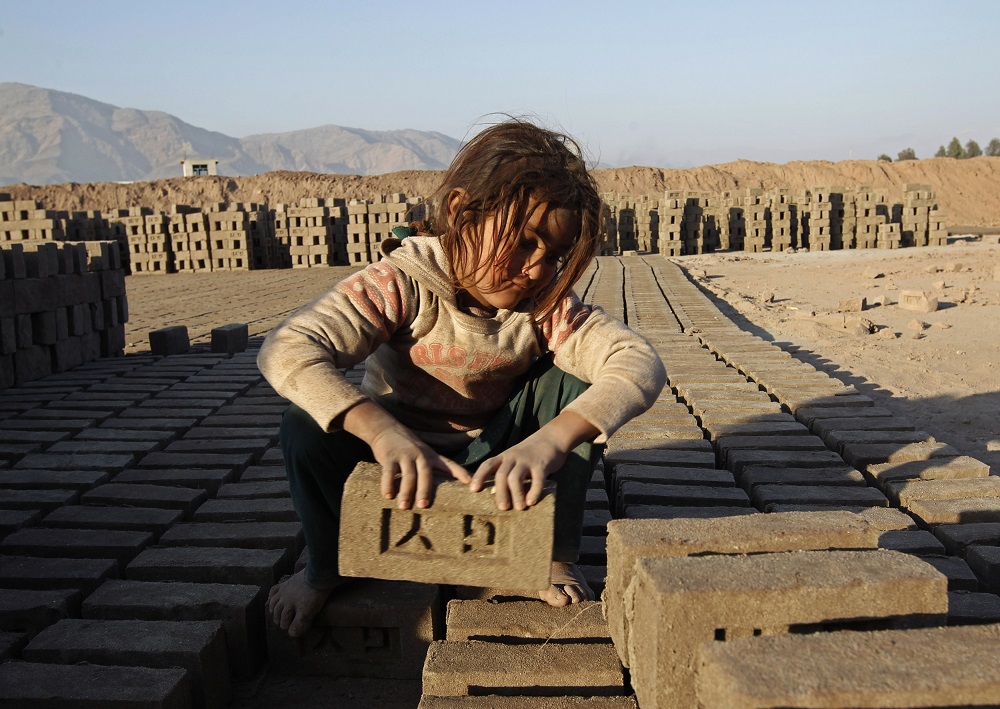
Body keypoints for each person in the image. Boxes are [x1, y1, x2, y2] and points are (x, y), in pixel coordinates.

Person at [258, 119, 666, 638]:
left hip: (499, 459)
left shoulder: (544, 306)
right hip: (394, 459)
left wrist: (551, 441)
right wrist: (381, 433)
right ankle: (327, 565)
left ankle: (548, 552)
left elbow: (638, 360)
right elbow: (286, 347)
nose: (537, 270)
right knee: (305, 427)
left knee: (576, 386)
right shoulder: (401, 282)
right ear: (459, 212)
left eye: (555, 257)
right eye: (522, 243)